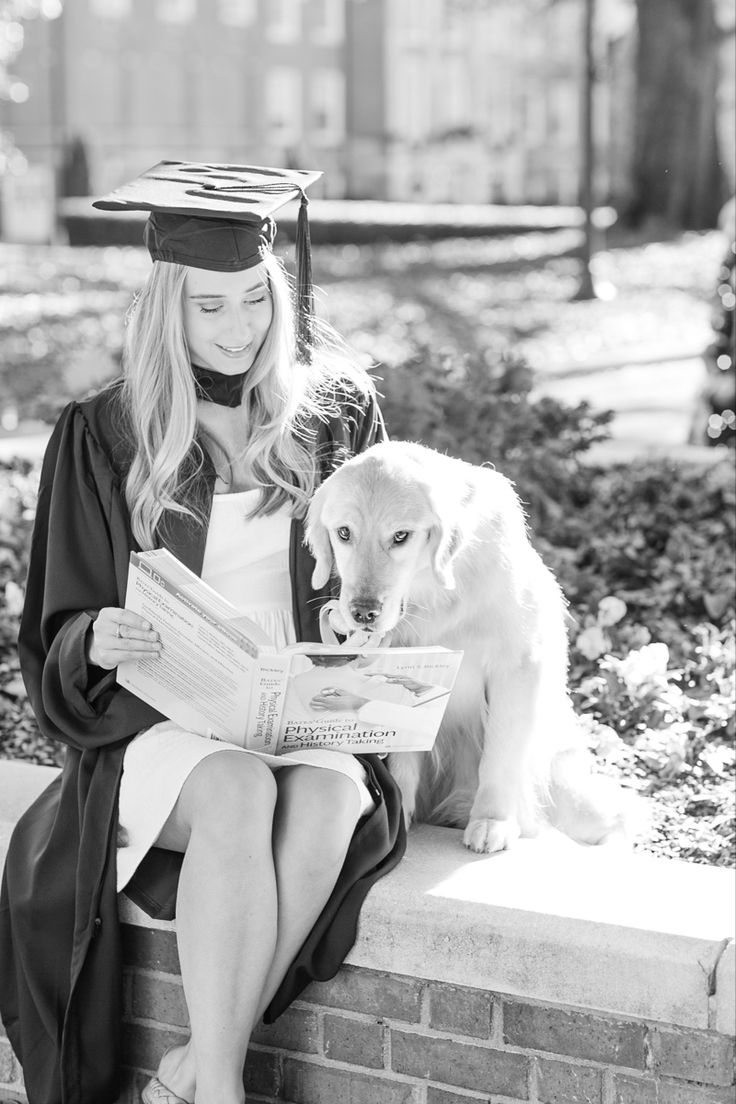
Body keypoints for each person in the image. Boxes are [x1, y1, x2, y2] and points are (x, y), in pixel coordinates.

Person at [0, 162, 406, 1104]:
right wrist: (94, 639)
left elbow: (395, 568)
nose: (238, 330)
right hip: (164, 725)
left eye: (255, 303)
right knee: (233, 788)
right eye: (209, 309)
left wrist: (369, 628)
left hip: (302, 706)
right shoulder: (104, 434)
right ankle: (217, 1088)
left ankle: (194, 1071)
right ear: (166, 311)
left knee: (325, 802)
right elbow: (56, 629)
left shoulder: (338, 415)